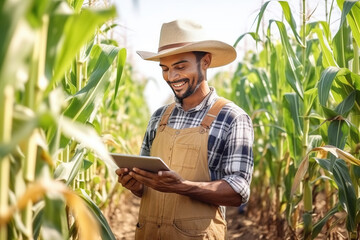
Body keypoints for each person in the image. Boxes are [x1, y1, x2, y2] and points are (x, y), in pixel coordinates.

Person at [115, 19, 254, 239]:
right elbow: (147, 188)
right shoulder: (159, 117)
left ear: (205, 62)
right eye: (165, 69)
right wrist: (134, 184)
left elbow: (238, 191)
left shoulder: (232, 118)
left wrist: (182, 186)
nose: (171, 77)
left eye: (180, 67)